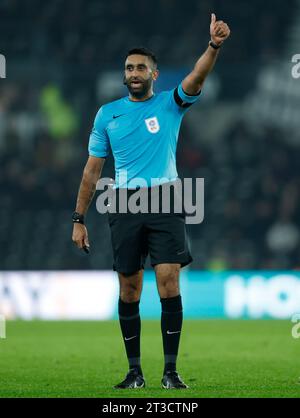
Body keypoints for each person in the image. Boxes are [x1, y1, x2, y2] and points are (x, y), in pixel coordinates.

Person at [72, 13, 230, 389]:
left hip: (166, 199)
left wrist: (214, 46)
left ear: (154, 74)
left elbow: (196, 77)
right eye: (129, 67)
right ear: (124, 74)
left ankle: (171, 372)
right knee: (129, 289)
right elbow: (92, 171)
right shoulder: (107, 114)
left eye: (142, 67)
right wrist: (79, 217)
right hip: (124, 204)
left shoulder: (170, 104)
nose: (135, 72)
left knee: (168, 282)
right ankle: (134, 372)